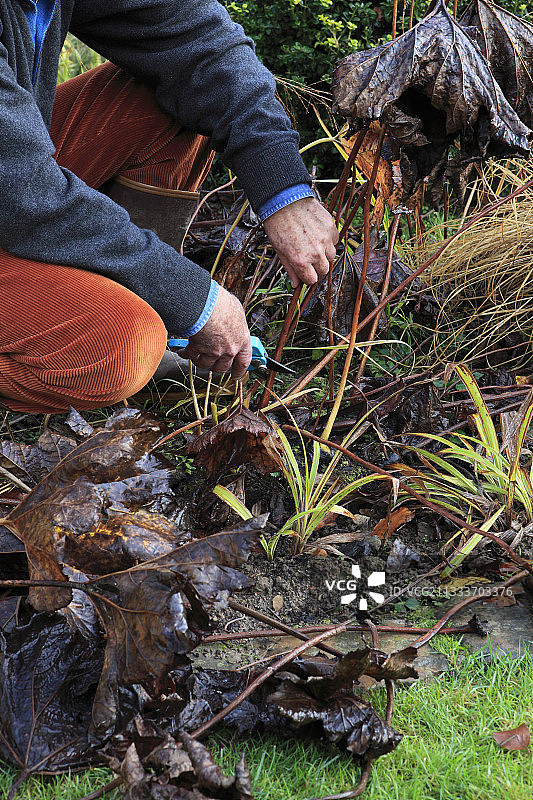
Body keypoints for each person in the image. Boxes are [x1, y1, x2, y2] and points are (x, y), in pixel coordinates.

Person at [0, 0, 338, 413]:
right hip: (16, 190)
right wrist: (193, 299)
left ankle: (133, 313)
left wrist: (283, 189)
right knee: (118, 351)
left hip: (14, 175)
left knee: (171, 98)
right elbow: (24, 193)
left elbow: (200, 42)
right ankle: (101, 329)